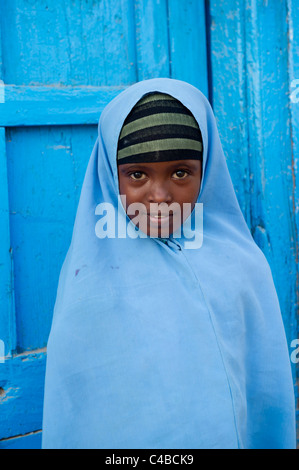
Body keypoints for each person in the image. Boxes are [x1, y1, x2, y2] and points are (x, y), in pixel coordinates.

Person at [42, 78, 296, 449]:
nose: (159, 196)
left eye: (180, 173)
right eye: (137, 174)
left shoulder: (244, 268)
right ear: (112, 175)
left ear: (206, 171)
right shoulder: (88, 282)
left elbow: (263, 398)